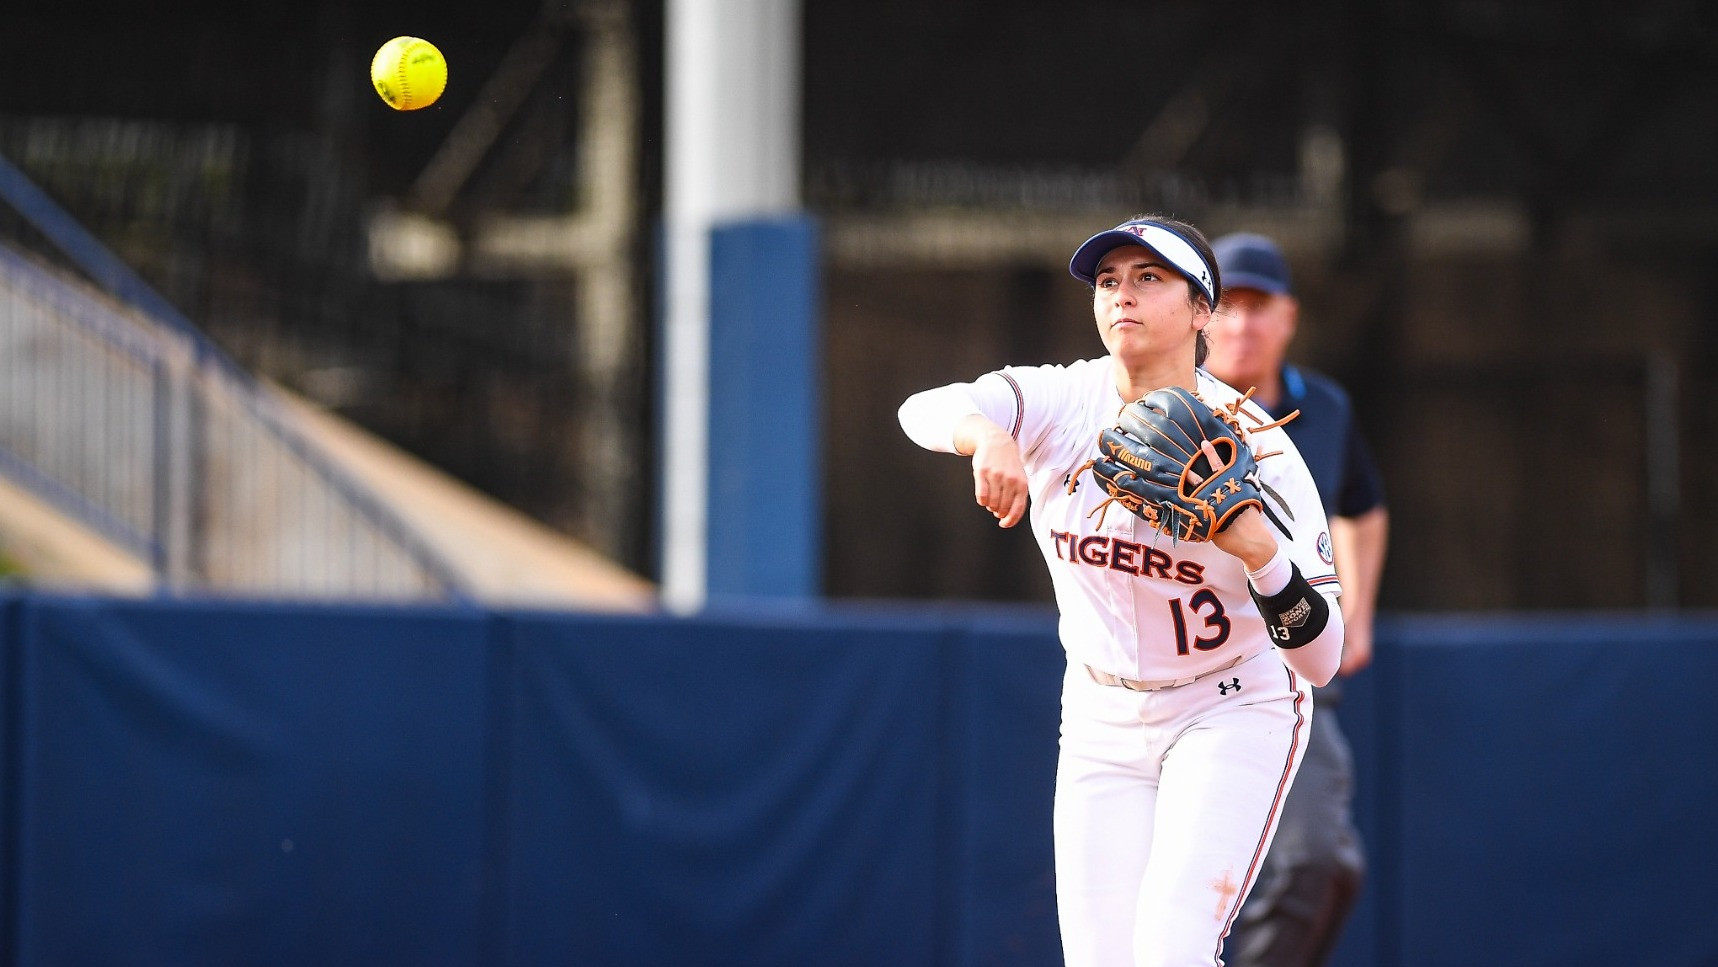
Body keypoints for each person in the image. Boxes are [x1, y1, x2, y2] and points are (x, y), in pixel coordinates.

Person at [898, 215, 1345, 967]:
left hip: (1229, 705)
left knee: (1170, 951)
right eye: (1108, 280)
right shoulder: (1060, 402)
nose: (1121, 296)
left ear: (1203, 310)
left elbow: (1323, 659)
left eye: (1148, 278)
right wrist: (988, 433)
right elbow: (920, 410)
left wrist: (1263, 556)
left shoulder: (1260, 451)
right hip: (1102, 711)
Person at [1202, 232, 1389, 967]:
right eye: (1229, 306)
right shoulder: (1169, 406)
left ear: (1288, 317)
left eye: (1260, 306)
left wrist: (1359, 613)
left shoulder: (1327, 408)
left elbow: (1362, 505)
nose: (1243, 324)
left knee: (1326, 863)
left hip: (1290, 669)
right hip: (1190, 675)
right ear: (1201, 316)